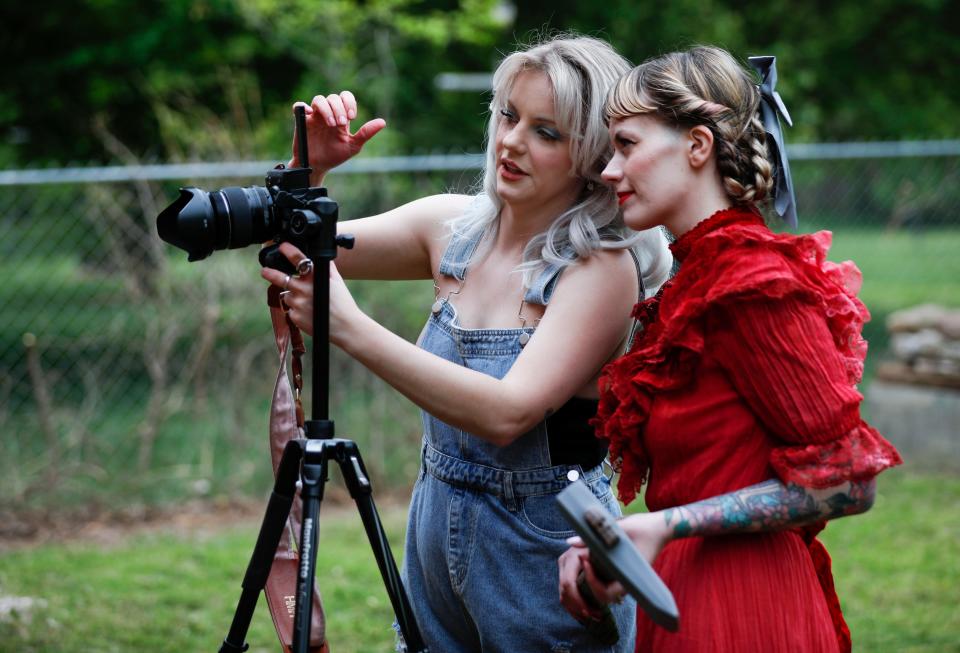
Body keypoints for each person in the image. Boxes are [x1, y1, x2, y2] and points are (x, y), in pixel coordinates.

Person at [261, 35, 673, 652]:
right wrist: (305, 170)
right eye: (509, 115)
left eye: (547, 132)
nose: (511, 141)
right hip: (436, 527)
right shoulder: (450, 228)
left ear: (591, 155)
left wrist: (349, 327)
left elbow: (508, 413)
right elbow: (287, 250)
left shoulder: (601, 269)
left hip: (546, 546)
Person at [557, 46, 902, 653]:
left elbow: (847, 479)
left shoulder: (751, 280)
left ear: (697, 146)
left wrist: (668, 524)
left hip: (745, 608)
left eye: (627, 145)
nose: (609, 171)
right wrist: (616, 547)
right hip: (684, 596)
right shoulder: (692, 278)